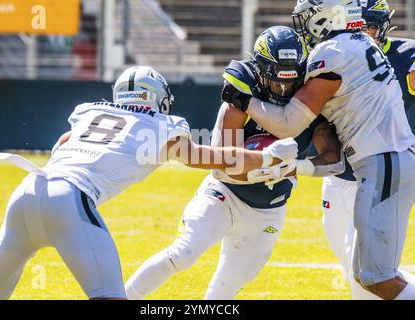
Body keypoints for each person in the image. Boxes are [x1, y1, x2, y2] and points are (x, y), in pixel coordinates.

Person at [0, 66, 298, 300]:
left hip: (27, 191)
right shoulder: (162, 125)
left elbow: (63, 143)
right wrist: (268, 159)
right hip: (69, 200)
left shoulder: (88, 111)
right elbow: (208, 158)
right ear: (157, 97)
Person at [125, 27, 344, 300]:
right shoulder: (238, 102)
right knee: (183, 253)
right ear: (261, 71)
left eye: (291, 81)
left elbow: (334, 160)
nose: (284, 89)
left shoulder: (310, 100)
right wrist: (264, 167)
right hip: (225, 195)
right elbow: (223, 165)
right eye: (277, 82)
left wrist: (295, 168)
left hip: (269, 211)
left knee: (225, 289)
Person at [222, 0, 415, 300]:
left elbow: (287, 124)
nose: (304, 24)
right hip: (385, 160)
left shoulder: (331, 53)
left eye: (309, 17)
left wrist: (245, 100)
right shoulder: (362, 41)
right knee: (368, 275)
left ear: (330, 15)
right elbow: (333, 159)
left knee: (377, 278)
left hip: (383, 160)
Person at [321, 0, 415, 300]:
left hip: (380, 175)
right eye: (359, 25)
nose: (365, 32)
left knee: (366, 276)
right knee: (359, 271)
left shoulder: (404, 55)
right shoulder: (337, 55)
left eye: (370, 25)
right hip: (339, 177)